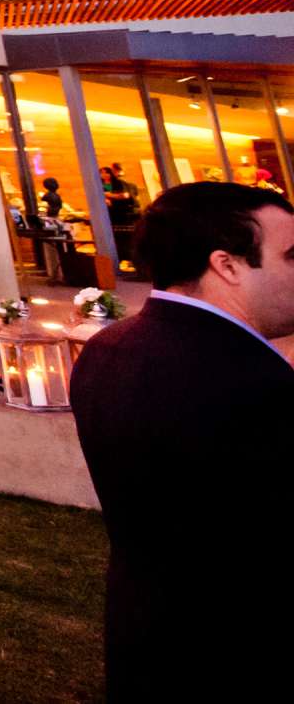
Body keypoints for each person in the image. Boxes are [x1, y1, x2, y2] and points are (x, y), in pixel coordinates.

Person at [71, 182, 294, 699]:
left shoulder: (108, 349)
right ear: (228, 264)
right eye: (290, 255)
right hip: (241, 654)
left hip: (144, 636)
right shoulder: (253, 381)